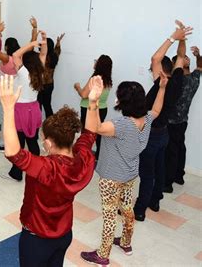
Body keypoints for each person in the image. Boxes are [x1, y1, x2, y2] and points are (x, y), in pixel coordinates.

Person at [0, 73, 100, 266]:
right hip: (63, 234)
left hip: (37, 239)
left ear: (47, 142)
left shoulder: (47, 168)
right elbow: (89, 134)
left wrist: (8, 107)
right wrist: (93, 103)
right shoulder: (83, 160)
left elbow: (14, 153)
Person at [80, 74, 168, 266]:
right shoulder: (146, 119)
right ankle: (126, 243)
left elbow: (92, 127)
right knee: (127, 209)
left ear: (122, 102)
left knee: (110, 215)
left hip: (111, 179)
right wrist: (161, 88)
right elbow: (156, 109)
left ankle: (102, 255)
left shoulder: (120, 126)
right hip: (130, 175)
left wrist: (93, 100)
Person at [133, 22, 191, 221]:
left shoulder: (161, 84)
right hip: (164, 133)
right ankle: (155, 200)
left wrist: (173, 37)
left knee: (147, 173)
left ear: (160, 72)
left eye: (153, 69)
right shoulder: (177, 79)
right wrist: (183, 38)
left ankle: (139, 209)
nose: (152, 69)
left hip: (151, 135)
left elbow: (155, 57)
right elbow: (181, 57)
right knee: (159, 168)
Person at [2, 31, 47, 182]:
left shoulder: (24, 73)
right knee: (32, 142)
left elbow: (15, 55)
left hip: (20, 110)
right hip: (34, 109)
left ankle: (16, 173)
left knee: (18, 144)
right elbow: (43, 55)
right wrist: (44, 41)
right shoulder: (39, 72)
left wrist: (32, 45)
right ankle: (36, 169)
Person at [164, 44, 201, 192]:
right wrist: (198, 55)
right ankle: (179, 176)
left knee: (171, 151)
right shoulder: (194, 79)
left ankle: (167, 183)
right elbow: (200, 66)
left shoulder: (176, 82)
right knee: (180, 147)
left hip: (171, 122)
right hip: (183, 121)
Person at [74, 54, 113, 160]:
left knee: (86, 133)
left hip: (89, 109)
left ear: (99, 64)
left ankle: (83, 155)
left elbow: (84, 95)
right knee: (99, 132)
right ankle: (98, 156)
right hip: (102, 109)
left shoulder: (95, 78)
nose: (95, 62)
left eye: (96, 60)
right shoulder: (108, 79)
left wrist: (78, 87)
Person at [0, 22, 21, 152]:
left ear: (7, 47)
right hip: (16, 92)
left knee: (4, 118)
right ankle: (15, 141)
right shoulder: (19, 57)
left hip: (5, 93)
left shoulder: (5, 58)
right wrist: (34, 29)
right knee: (14, 118)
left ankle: (4, 144)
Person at [30, 17, 64, 118]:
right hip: (50, 85)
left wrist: (34, 32)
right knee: (47, 105)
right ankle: (51, 124)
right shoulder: (54, 57)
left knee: (38, 105)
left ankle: (37, 123)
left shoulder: (41, 57)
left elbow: (30, 50)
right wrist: (58, 43)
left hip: (41, 85)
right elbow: (57, 51)